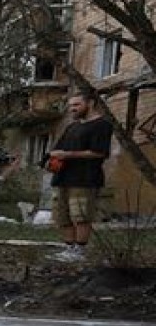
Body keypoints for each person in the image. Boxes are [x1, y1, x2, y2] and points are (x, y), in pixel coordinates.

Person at [48, 92, 113, 262]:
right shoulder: (72, 127)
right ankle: (69, 248)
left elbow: (99, 153)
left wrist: (68, 154)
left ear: (90, 103)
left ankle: (80, 251)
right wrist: (51, 161)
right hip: (62, 178)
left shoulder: (101, 125)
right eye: (70, 106)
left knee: (81, 215)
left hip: (85, 178)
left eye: (76, 105)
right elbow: (58, 150)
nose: (72, 109)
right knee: (62, 215)